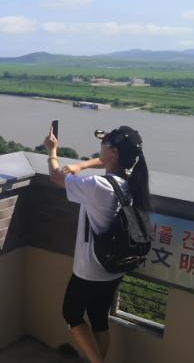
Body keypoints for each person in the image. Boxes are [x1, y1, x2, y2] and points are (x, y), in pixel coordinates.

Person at [43, 125, 152, 363]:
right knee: (98, 318)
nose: (100, 149)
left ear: (113, 151)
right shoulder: (134, 183)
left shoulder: (97, 186)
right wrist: (81, 165)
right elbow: (107, 163)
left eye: (104, 145)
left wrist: (52, 151)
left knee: (71, 315)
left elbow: (54, 176)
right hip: (116, 265)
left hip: (90, 269)